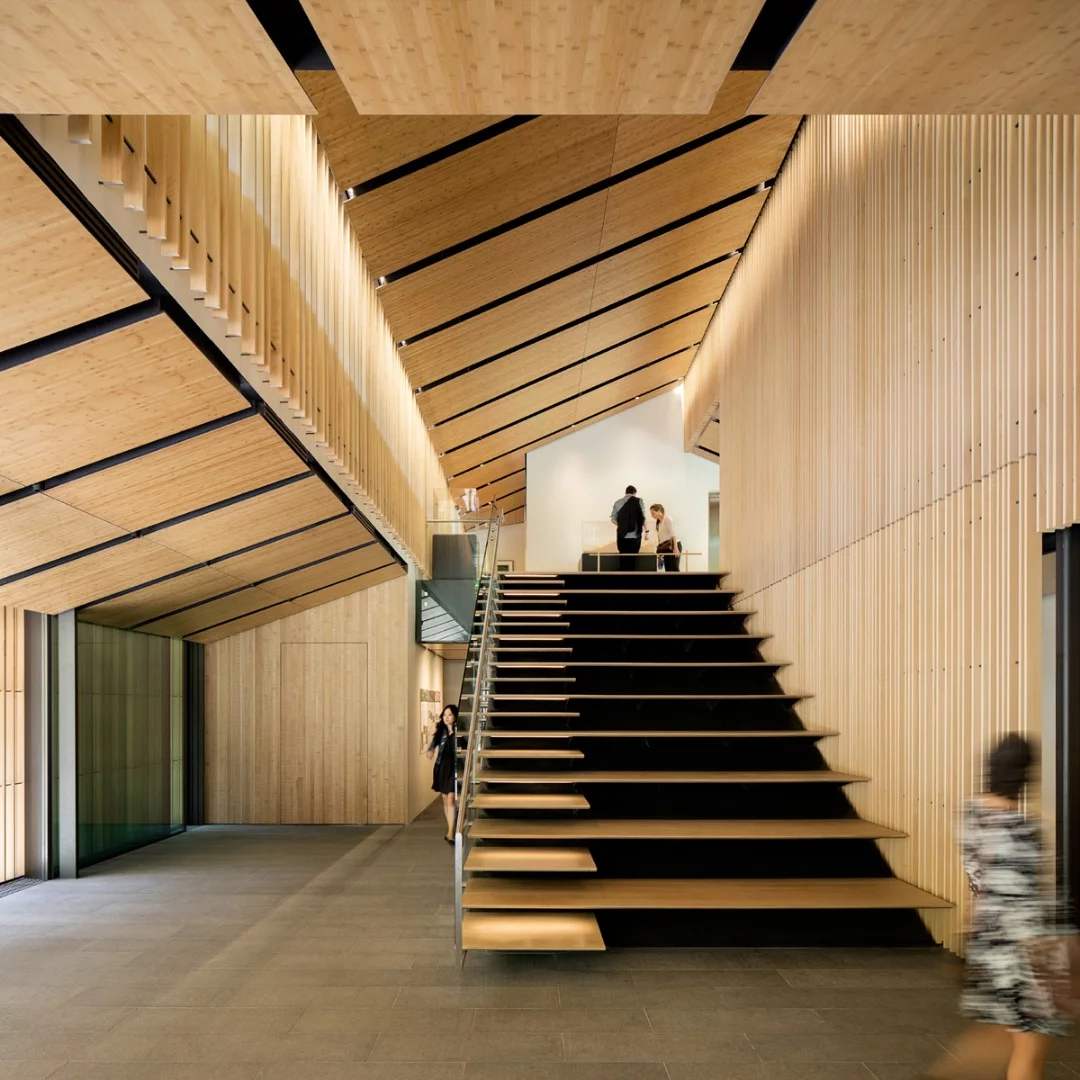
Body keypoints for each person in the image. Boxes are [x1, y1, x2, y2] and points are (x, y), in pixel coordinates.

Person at [927, 734, 1069, 1080]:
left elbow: (982, 887)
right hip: (1030, 953)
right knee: (1030, 1050)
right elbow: (1030, 900)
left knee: (1003, 1032)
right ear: (1024, 776)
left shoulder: (970, 815)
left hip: (989, 944)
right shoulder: (1024, 830)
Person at [426, 704, 459, 843]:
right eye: (445, 715)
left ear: (455, 716)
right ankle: (450, 827)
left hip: (454, 769)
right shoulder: (441, 732)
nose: (446, 717)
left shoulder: (459, 732)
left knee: (451, 799)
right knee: (445, 801)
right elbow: (432, 745)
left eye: (450, 715)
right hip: (442, 768)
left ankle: (451, 832)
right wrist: (430, 750)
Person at [610, 485, 648, 571]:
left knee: (623, 558)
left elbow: (613, 520)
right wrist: (647, 531)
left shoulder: (617, 502)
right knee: (633, 559)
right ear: (635, 493)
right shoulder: (639, 501)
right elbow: (643, 518)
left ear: (625, 492)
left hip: (621, 536)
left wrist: (623, 526)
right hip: (635, 536)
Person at [650, 503, 680, 572]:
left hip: (673, 545)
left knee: (674, 569)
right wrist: (660, 555)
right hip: (666, 547)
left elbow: (673, 533)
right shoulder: (658, 523)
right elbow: (661, 540)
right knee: (668, 570)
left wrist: (675, 548)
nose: (652, 515)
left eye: (653, 513)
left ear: (659, 511)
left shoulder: (667, 518)